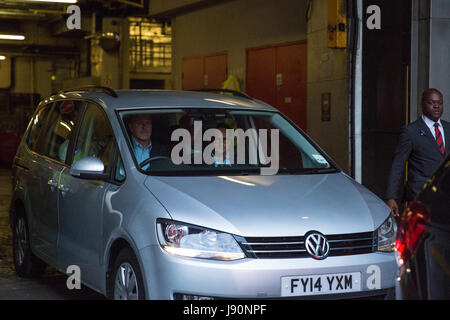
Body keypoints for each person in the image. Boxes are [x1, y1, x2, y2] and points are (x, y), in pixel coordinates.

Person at [386, 88, 449, 217]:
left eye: (440, 102)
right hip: (420, 197)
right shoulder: (410, 131)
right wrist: (391, 197)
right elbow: (398, 165)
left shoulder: (449, 128)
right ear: (422, 105)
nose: (436, 106)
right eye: (431, 103)